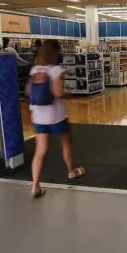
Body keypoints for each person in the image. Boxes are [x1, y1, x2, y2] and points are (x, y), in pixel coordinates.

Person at [25, 40, 85, 198]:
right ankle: (72, 172)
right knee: (66, 144)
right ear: (56, 52)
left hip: (38, 116)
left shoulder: (34, 70)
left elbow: (28, 91)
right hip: (56, 116)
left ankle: (35, 186)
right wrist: (69, 94)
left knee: (40, 151)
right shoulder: (55, 70)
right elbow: (58, 93)